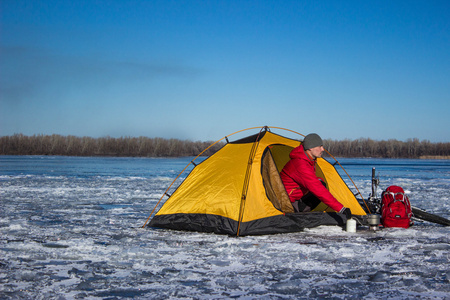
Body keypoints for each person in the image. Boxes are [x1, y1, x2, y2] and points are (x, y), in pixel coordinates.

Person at [280, 133, 352, 219]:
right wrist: (341, 209)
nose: (322, 149)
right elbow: (317, 189)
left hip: (296, 197)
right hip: (287, 202)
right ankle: (297, 214)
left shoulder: (308, 160)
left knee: (320, 183)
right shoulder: (300, 164)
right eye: (320, 146)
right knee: (319, 187)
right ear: (310, 148)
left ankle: (300, 212)